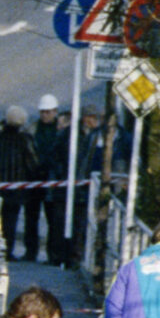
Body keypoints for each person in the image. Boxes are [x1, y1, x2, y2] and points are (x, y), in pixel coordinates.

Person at [0, 106, 39, 261]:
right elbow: (33, 163)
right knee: (10, 221)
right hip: (16, 189)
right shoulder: (26, 140)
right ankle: (6, 252)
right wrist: (28, 180)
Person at [53, 104, 103, 269]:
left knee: (80, 224)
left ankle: (75, 257)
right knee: (63, 223)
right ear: (84, 118)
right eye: (91, 118)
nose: (94, 121)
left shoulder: (97, 136)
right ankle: (61, 256)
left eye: (96, 118)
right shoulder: (70, 135)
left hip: (84, 188)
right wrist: (63, 177)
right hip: (67, 187)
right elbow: (57, 156)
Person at [28, 94, 67, 265]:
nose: (45, 115)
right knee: (31, 217)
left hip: (53, 181)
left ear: (55, 111)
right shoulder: (33, 129)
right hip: (34, 179)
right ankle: (31, 252)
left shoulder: (62, 130)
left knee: (54, 219)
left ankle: (54, 254)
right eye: (43, 112)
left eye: (48, 112)